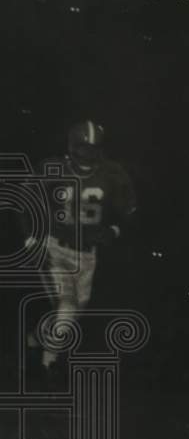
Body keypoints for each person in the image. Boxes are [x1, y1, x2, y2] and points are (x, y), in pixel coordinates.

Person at [24, 120, 136, 385]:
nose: (87, 156)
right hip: (56, 249)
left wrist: (114, 230)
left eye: (92, 150)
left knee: (70, 318)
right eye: (83, 149)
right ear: (72, 148)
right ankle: (47, 366)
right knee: (67, 308)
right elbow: (25, 200)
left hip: (88, 256)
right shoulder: (54, 168)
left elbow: (130, 211)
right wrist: (32, 237)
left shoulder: (112, 174)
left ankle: (35, 339)